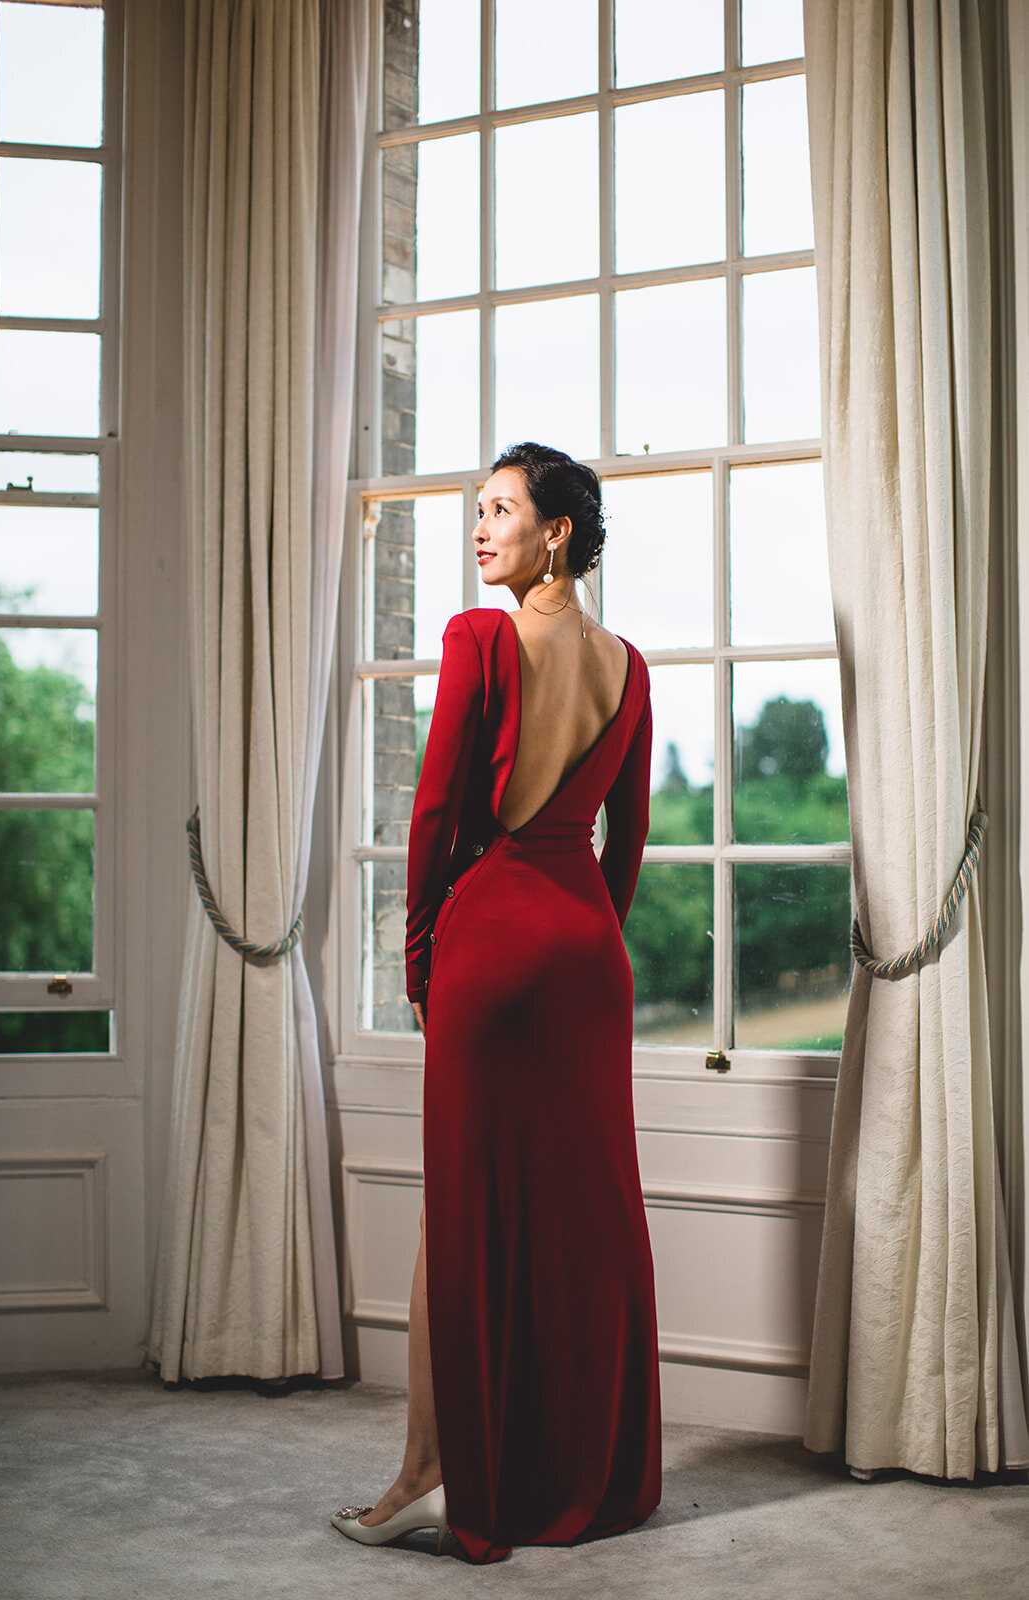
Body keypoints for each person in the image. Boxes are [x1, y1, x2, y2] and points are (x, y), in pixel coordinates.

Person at [331, 441, 662, 1562]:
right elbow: (628, 838)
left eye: (500, 511)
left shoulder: (479, 640)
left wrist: (422, 953)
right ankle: (588, 1474)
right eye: (476, 512)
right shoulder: (628, 666)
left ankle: (431, 1470)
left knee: (459, 1217)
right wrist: (589, 939)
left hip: (492, 939)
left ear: (555, 530)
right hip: (585, 957)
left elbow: (432, 816)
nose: (479, 530)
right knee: (585, 1216)